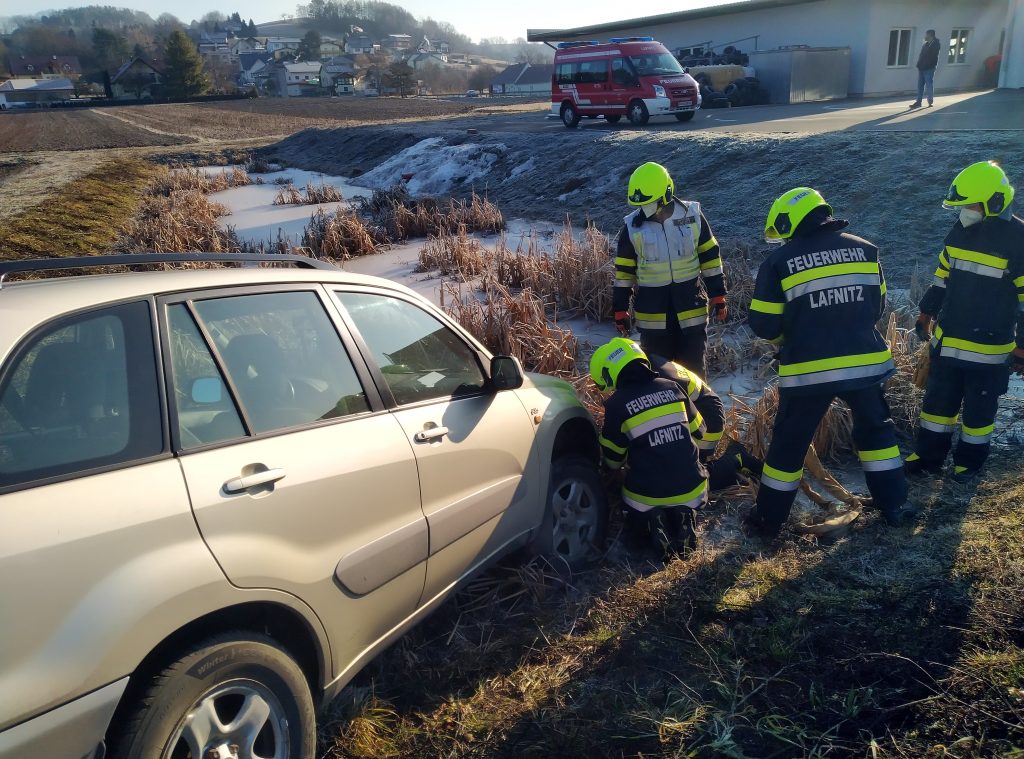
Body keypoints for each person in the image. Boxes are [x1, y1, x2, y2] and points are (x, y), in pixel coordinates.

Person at [746, 187, 913, 536]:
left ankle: (768, 522)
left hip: (809, 371)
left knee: (789, 447)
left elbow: (763, 323)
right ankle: (894, 507)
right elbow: (876, 307)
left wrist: (786, 341)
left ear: (789, 222)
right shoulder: (866, 250)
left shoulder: (779, 262)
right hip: (864, 364)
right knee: (877, 435)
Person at [907, 161, 1024, 483]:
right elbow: (942, 278)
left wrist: (1022, 348)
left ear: (995, 202)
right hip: (948, 343)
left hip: (989, 351)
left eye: (970, 206)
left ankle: (969, 463)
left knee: (978, 415)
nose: (965, 213)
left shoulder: (1019, 240)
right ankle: (928, 457)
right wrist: (926, 312)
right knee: (936, 406)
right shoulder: (960, 231)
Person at [590, 338, 709, 557]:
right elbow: (700, 431)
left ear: (609, 374)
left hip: (646, 497)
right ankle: (684, 514)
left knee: (634, 508)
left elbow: (612, 460)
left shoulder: (616, 405)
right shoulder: (672, 387)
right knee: (685, 487)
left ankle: (652, 522)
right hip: (693, 488)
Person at [613, 161, 728, 379]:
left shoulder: (692, 215)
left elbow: (710, 256)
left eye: (650, 203)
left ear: (666, 193)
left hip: (691, 311)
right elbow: (623, 274)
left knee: (694, 375)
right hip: (653, 318)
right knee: (660, 377)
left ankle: (699, 412)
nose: (645, 210)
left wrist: (718, 294)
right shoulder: (631, 227)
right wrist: (620, 309)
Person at [910, 29, 940, 109]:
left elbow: (933, 58)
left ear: (930, 35)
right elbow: (921, 55)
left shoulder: (936, 45)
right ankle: (918, 102)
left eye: (926, 35)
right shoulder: (925, 44)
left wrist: (928, 65)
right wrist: (919, 65)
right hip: (921, 67)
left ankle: (930, 101)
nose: (924, 36)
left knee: (929, 84)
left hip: (929, 68)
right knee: (920, 85)